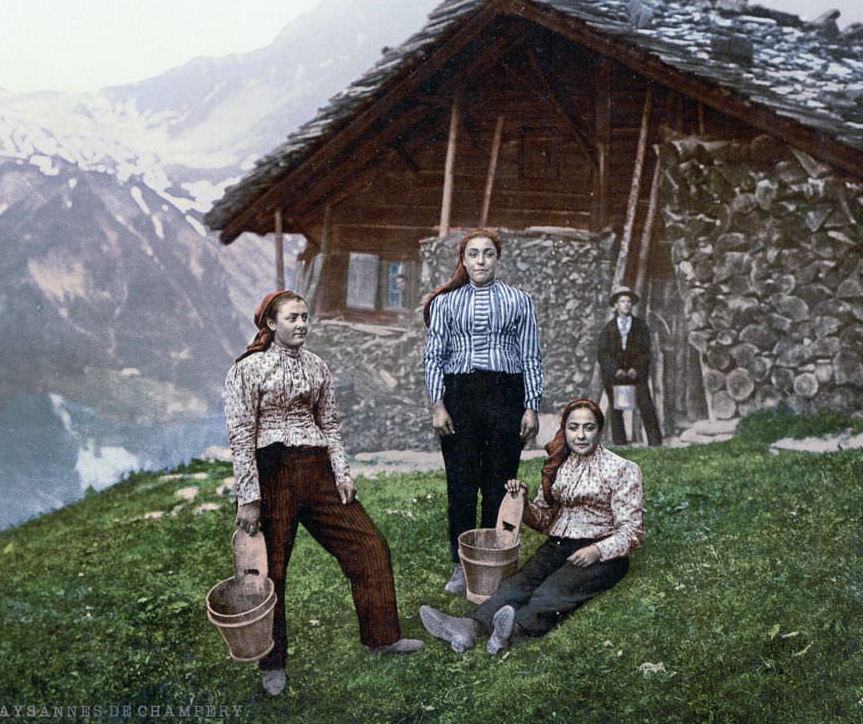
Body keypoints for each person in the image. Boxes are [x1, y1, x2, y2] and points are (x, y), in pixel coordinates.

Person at [224, 290, 421, 696]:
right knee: (271, 571)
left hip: (318, 471)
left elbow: (329, 424)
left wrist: (342, 475)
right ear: (271, 324)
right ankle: (271, 662)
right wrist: (249, 496)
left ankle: (382, 638)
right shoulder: (247, 370)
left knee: (368, 546)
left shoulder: (318, 367)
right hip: (273, 471)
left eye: (305, 318)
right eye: (292, 318)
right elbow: (241, 436)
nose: (301, 325)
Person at [419, 398, 643, 654]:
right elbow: (545, 520)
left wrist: (597, 551)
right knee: (519, 582)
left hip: (604, 554)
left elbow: (632, 531)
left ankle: (512, 632)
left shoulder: (622, 469)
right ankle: (470, 626)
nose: (580, 435)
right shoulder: (559, 466)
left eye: (588, 428)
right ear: (565, 429)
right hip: (559, 543)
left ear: (599, 431)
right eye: (574, 427)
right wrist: (522, 502)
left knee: (555, 590)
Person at [422, 228, 544, 595]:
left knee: (499, 482)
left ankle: (494, 560)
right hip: (460, 396)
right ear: (463, 260)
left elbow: (530, 355)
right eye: (473, 254)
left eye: (488, 254)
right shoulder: (446, 303)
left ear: (498, 258)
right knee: (461, 483)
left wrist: (531, 406)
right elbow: (434, 357)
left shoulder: (519, 301)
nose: (480, 261)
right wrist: (438, 404)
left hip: (505, 394)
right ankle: (461, 564)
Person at [596, 286, 663, 446]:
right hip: (615, 375)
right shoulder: (608, 329)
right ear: (616, 305)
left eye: (628, 301)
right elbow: (603, 353)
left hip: (636, 374)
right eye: (622, 301)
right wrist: (615, 370)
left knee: (646, 406)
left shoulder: (640, 326)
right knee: (616, 409)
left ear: (632, 305)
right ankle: (620, 443)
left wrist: (636, 369)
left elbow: (646, 351)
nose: (626, 305)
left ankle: (655, 443)